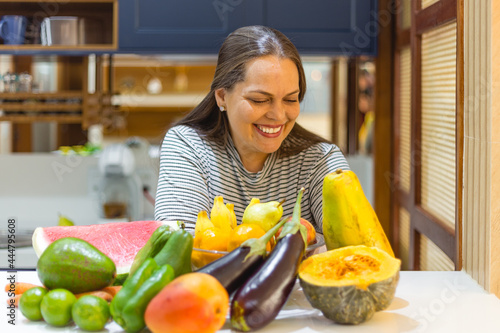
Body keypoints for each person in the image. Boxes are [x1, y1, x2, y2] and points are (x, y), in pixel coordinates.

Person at [154, 25, 349, 233]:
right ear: (222, 97)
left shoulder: (321, 159)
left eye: (290, 99)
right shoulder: (187, 146)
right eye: (260, 100)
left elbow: (355, 249)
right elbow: (179, 244)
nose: (278, 115)